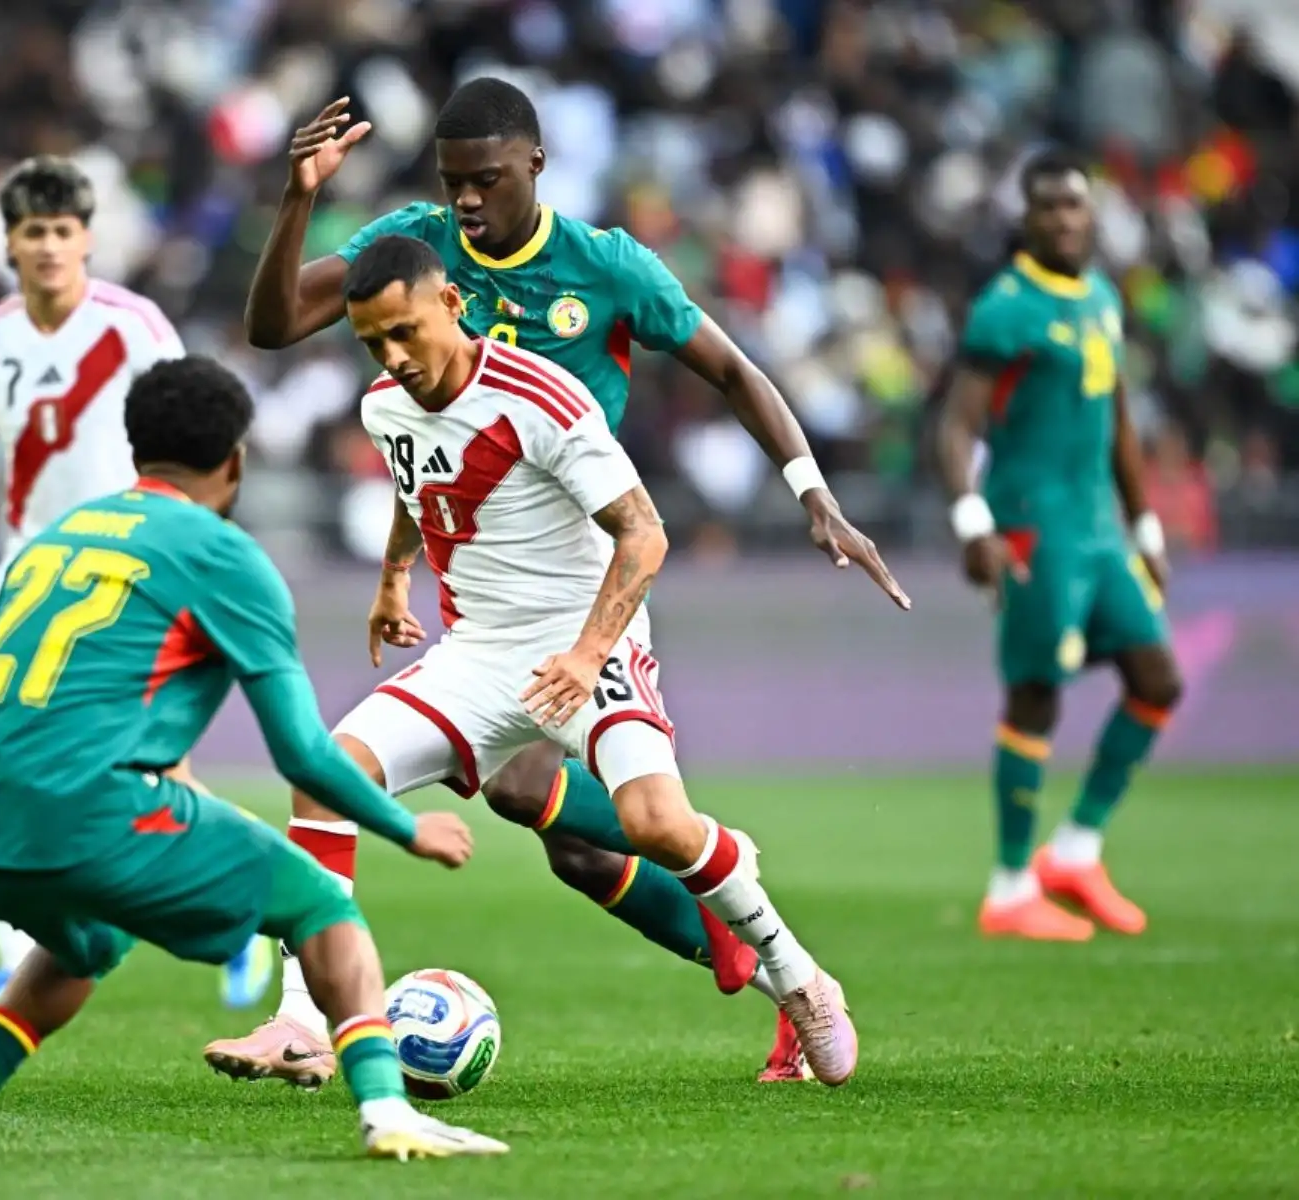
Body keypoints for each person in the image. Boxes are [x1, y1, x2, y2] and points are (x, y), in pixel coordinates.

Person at [221, 77, 905, 1083]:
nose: (466, 200)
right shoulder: (410, 271)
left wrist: (812, 491)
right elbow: (304, 348)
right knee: (520, 821)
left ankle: (760, 932)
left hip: (589, 590)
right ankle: (303, 1020)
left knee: (604, 820)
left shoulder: (604, 272)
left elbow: (730, 373)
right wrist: (299, 196)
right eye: (452, 182)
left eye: (486, 180)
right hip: (483, 611)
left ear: (535, 166)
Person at [0, 356, 507, 1161]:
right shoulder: (224, 557)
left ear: (134, 449)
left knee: (89, 943)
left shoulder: (52, 544)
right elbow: (302, 754)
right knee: (323, 907)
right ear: (235, 462)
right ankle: (389, 1114)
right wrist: (407, 829)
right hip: (93, 813)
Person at [0, 155, 271, 1013]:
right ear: (9, 244)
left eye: (64, 230)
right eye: (34, 231)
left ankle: (253, 908)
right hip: (31, 574)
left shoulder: (134, 328)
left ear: (88, 239)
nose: (50, 246)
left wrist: (197, 550)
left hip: (126, 572)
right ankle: (16, 962)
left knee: (154, 767)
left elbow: (194, 432)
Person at [937, 148, 1182, 941]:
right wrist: (972, 522)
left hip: (1101, 531)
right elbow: (957, 426)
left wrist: (1145, 525)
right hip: (1033, 527)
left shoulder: (1102, 296)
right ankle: (1010, 887)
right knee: (1036, 693)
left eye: (1075, 205)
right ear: (1028, 219)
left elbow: (1120, 421)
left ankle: (1075, 851)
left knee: (1158, 680)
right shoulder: (1005, 309)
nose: (1064, 219)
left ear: (1091, 213)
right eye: (1048, 207)